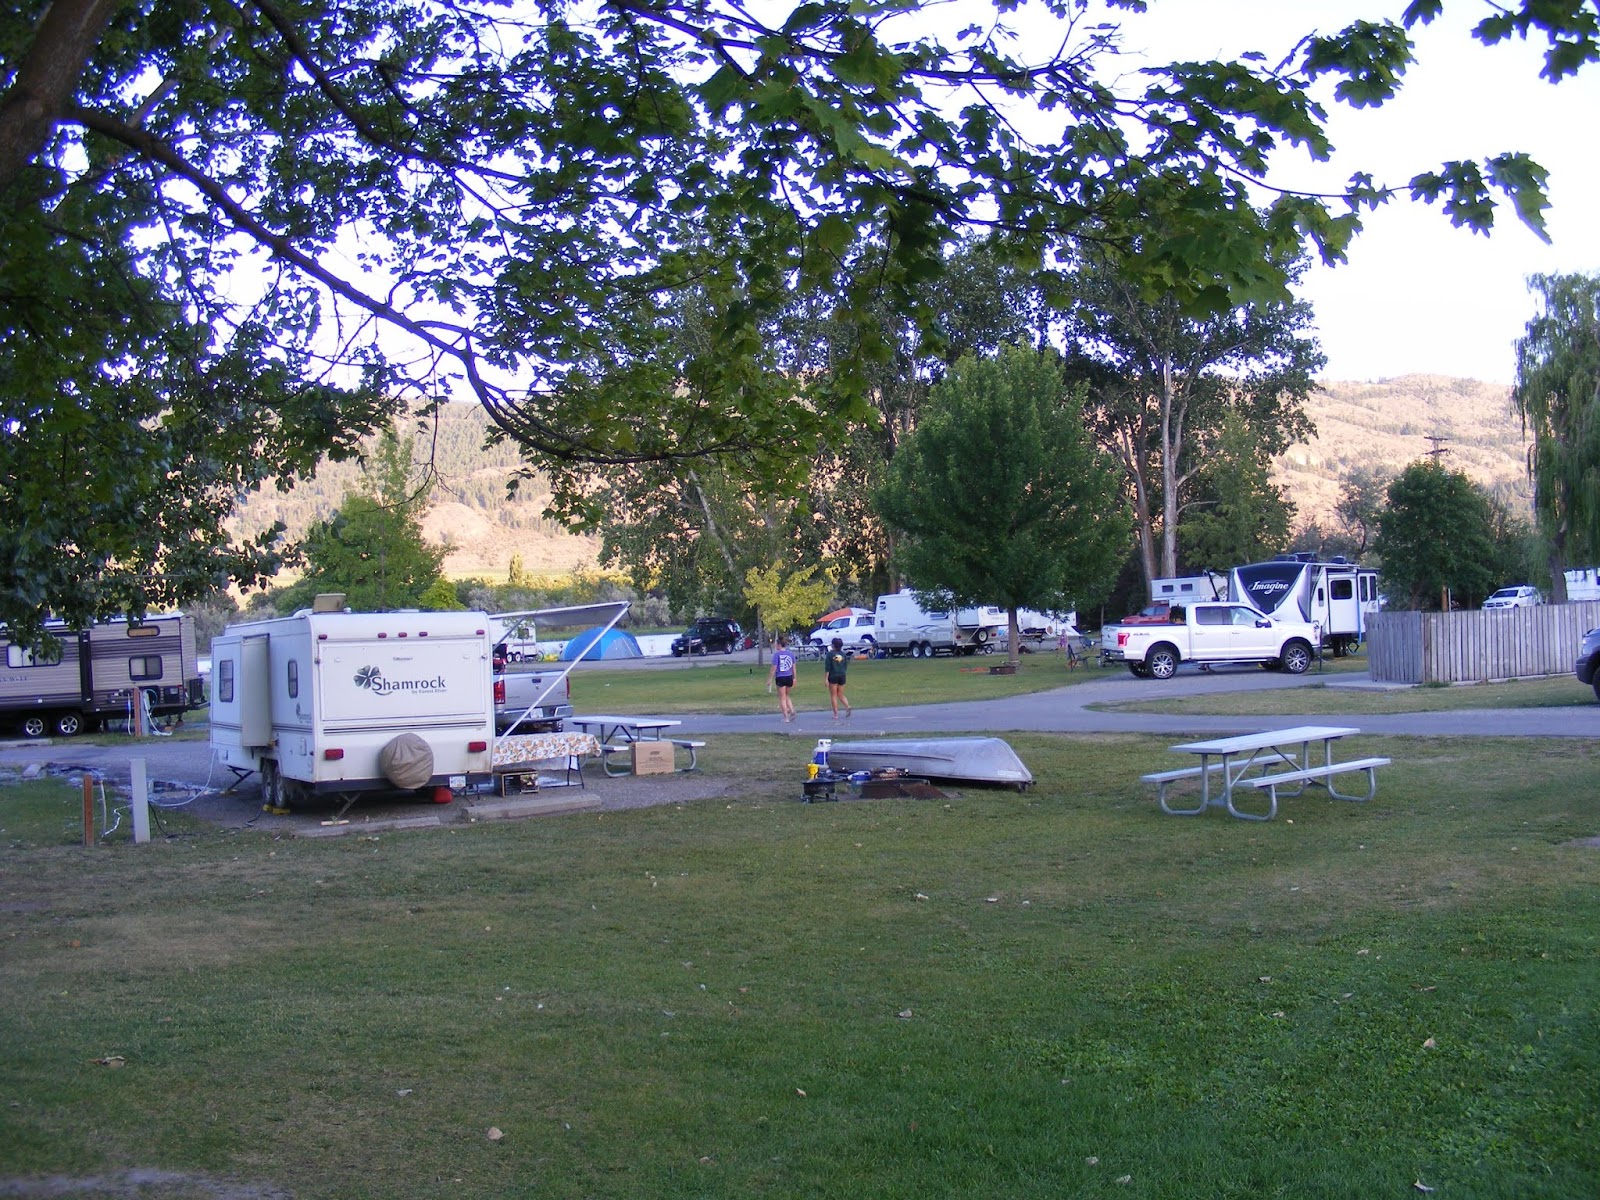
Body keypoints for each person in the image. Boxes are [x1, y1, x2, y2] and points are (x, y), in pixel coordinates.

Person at [768, 635, 798, 722]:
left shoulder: (777, 655)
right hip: (789, 677)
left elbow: (773, 668)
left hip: (780, 677)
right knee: (786, 695)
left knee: (782, 697)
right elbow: (793, 667)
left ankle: (785, 717)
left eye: (776, 644)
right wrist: (794, 678)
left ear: (779, 645)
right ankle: (791, 710)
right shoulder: (790, 654)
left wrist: (770, 679)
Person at [824, 636, 854, 719]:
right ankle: (847, 706)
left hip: (833, 676)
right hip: (842, 675)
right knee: (840, 694)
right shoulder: (843, 654)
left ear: (833, 645)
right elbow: (845, 666)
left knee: (833, 695)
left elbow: (828, 667)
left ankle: (836, 714)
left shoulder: (830, 654)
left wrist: (826, 679)